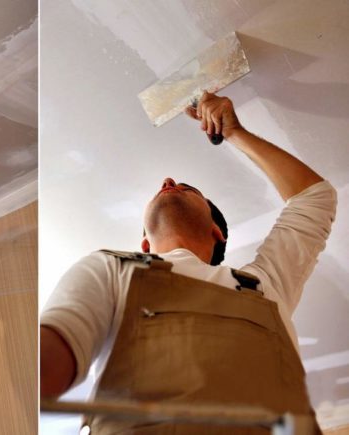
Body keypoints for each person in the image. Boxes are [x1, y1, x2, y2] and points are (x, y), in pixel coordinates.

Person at [40, 92, 337, 434]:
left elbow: (315, 198)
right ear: (144, 245)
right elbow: (46, 369)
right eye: (169, 185)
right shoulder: (111, 269)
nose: (167, 181)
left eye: (188, 188)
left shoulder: (264, 282)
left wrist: (235, 133)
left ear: (217, 231)